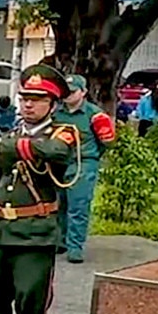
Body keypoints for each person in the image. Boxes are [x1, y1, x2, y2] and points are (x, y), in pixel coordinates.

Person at [0, 64, 80, 314]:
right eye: (24, 99)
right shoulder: (11, 135)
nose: (28, 105)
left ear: (53, 104)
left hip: (34, 234)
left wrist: (1, 146)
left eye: (37, 99)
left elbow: (55, 153)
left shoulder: (62, 134)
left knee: (30, 305)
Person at [52, 75, 116, 264]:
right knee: (58, 204)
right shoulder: (56, 113)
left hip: (83, 163)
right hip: (59, 163)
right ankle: (59, 241)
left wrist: (92, 155)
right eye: (65, 92)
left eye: (72, 92)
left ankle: (75, 247)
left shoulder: (94, 115)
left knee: (78, 206)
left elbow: (107, 142)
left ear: (83, 92)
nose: (68, 96)